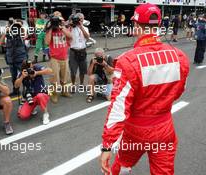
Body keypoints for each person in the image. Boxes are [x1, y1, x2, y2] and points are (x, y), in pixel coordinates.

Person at [100, 3, 190, 175]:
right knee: (163, 171)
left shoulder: (127, 61)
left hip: (136, 130)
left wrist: (107, 146)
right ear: (159, 26)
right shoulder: (179, 56)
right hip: (165, 127)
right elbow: (178, 92)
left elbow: (118, 108)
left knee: (123, 163)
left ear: (135, 26)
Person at [45, 11, 72, 103]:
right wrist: (51, 27)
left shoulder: (64, 26)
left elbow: (70, 36)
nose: (57, 19)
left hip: (64, 57)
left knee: (65, 77)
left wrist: (61, 26)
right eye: (55, 17)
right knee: (54, 78)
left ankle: (65, 92)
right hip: (54, 58)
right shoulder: (50, 28)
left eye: (59, 17)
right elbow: (47, 42)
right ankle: (54, 94)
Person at [15, 59, 52, 124]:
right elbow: (16, 86)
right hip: (30, 97)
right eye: (29, 68)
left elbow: (50, 70)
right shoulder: (22, 73)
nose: (31, 69)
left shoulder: (37, 68)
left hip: (41, 94)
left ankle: (46, 113)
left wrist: (37, 73)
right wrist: (22, 77)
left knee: (40, 96)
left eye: (32, 66)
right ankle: (32, 108)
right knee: (23, 116)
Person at [0, 18, 28, 96]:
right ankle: (15, 90)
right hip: (11, 60)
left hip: (21, 59)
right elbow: (0, 43)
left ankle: (27, 91)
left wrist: (20, 26)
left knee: (24, 75)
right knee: (14, 77)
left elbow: (25, 35)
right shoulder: (8, 35)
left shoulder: (21, 34)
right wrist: (6, 32)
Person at [69, 13, 90, 87]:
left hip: (82, 51)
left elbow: (87, 37)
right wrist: (70, 23)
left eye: (82, 18)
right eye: (79, 18)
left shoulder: (85, 28)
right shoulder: (71, 28)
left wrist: (81, 27)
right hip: (73, 51)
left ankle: (81, 84)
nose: (80, 20)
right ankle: (73, 84)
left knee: (83, 70)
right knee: (73, 71)